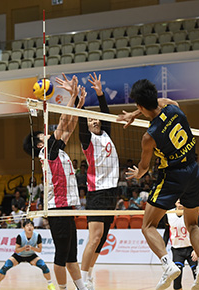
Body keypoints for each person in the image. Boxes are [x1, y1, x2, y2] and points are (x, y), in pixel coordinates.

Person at [118, 79, 199, 290]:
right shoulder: (174, 108)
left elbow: (144, 166)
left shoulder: (149, 136)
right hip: (194, 171)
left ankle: (168, 265)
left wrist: (139, 173)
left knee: (147, 226)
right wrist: (135, 113)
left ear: (139, 106)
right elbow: (158, 103)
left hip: (172, 177)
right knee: (193, 224)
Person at [23, 74, 88, 290]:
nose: (46, 133)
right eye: (43, 134)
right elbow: (62, 121)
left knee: (72, 255)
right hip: (58, 209)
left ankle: (82, 287)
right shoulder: (48, 151)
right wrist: (71, 95)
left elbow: (69, 126)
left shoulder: (55, 149)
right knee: (62, 255)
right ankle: (62, 288)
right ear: (40, 143)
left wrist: (78, 104)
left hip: (66, 208)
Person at [76, 72, 119, 290]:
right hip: (97, 192)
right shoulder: (88, 140)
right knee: (94, 238)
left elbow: (106, 113)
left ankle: (90, 275)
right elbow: (82, 123)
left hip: (112, 192)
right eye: (91, 120)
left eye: (97, 119)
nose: (95, 121)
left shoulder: (106, 134)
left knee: (102, 239)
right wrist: (80, 105)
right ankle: (82, 280)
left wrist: (100, 94)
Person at [0, 220, 56, 290]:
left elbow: (39, 250)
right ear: (24, 228)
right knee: (5, 267)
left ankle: (50, 284)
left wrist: (32, 248)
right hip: (19, 255)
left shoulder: (37, 236)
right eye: (27, 226)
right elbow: (17, 250)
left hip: (31, 255)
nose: (29, 227)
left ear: (33, 227)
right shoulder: (20, 236)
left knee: (44, 266)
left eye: (31, 226)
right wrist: (23, 248)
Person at [164, 200, 199, 290]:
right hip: (177, 250)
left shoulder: (192, 214)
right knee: (176, 280)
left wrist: (197, 250)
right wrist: (162, 249)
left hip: (192, 250)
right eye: (177, 198)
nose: (179, 200)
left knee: (198, 278)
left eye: (182, 198)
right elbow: (167, 232)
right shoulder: (168, 214)